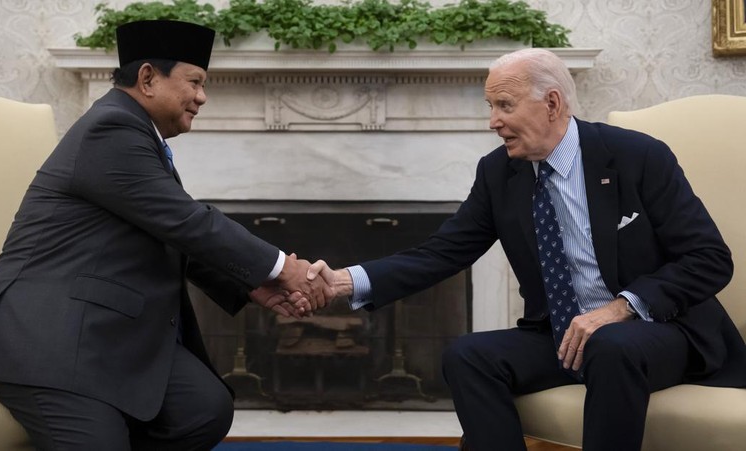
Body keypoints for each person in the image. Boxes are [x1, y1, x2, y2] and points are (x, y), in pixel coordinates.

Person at [311, 48, 746, 450]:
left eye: (504, 105)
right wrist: (345, 281)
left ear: (552, 104)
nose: (492, 121)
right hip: (563, 336)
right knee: (467, 356)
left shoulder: (637, 156)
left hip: (661, 331)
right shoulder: (499, 172)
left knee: (611, 346)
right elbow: (442, 252)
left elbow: (709, 258)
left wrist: (621, 308)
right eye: (491, 107)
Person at [0, 20, 328, 450]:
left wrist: (253, 286)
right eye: (195, 82)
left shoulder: (135, 134)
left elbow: (173, 234)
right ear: (148, 77)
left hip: (108, 332)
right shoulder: (111, 129)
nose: (202, 98)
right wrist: (283, 269)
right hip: (50, 340)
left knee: (203, 409)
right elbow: (190, 222)